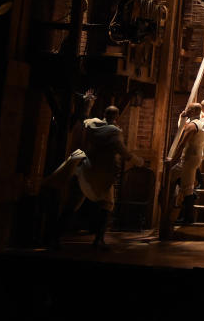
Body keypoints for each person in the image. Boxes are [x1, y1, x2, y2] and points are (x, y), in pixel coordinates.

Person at [59, 105, 143, 248]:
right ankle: (98, 239)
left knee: (74, 203)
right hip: (103, 172)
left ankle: (55, 235)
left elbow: (84, 119)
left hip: (86, 169)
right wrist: (137, 161)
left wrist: (88, 105)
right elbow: (122, 151)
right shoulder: (114, 132)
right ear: (116, 116)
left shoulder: (93, 124)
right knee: (107, 204)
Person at [171, 103, 204, 225]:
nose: (185, 109)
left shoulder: (192, 126)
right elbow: (182, 127)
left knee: (185, 186)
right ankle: (185, 215)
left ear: (192, 111)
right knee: (186, 185)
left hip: (188, 158)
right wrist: (182, 118)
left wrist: (172, 159)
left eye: (188, 108)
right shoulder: (201, 123)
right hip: (196, 157)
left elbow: (181, 144)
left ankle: (187, 217)